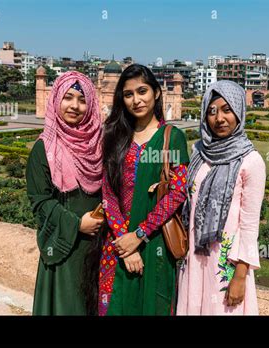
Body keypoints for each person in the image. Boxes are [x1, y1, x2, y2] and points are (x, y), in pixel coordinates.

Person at [97, 64, 189, 315]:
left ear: (156, 93)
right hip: (116, 246)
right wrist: (123, 244)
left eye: (142, 91)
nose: (136, 100)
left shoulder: (172, 138)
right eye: (128, 94)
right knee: (114, 306)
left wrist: (138, 236)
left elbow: (177, 194)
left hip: (154, 243)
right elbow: (108, 193)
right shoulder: (115, 135)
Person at [177, 80, 266, 315]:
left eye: (227, 110)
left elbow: (249, 225)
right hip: (194, 257)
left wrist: (240, 275)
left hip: (226, 263)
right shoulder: (199, 151)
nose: (219, 119)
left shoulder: (251, 161)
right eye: (212, 111)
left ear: (239, 112)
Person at [26, 71, 103, 315]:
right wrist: (77, 224)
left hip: (99, 247)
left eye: (82, 100)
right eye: (68, 97)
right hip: (64, 248)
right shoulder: (44, 149)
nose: (75, 106)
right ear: (56, 99)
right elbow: (40, 202)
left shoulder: (100, 145)